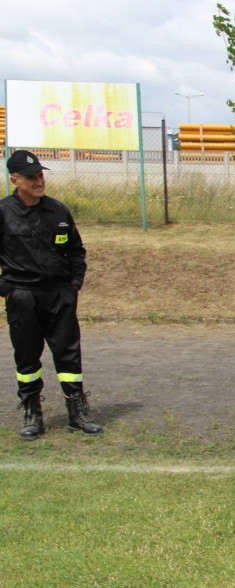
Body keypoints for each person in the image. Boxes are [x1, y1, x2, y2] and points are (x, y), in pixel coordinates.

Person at [0, 150, 102, 439]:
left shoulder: (58, 210)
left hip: (60, 295)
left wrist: (74, 284)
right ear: (15, 180)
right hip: (23, 296)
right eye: (31, 177)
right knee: (28, 359)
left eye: (40, 175)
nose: (38, 181)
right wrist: (7, 290)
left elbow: (76, 250)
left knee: (69, 357)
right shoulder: (3, 212)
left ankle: (77, 413)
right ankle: (33, 413)